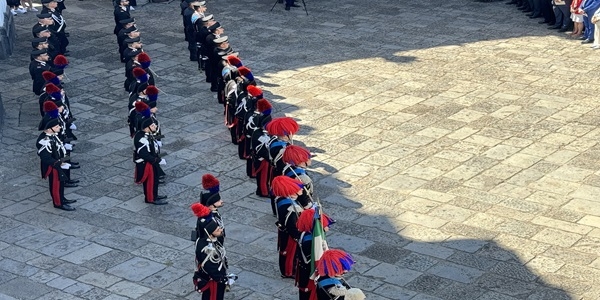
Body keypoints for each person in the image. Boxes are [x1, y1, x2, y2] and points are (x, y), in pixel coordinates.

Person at [37, 101, 77, 211]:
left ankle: (62, 198)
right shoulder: (43, 140)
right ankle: (58, 203)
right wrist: (59, 163)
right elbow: (45, 157)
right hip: (54, 166)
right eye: (56, 126)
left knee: (61, 182)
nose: (59, 127)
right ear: (49, 129)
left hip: (59, 162)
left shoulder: (52, 135)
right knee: (56, 184)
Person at [193, 209, 234, 300]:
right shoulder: (206, 248)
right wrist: (220, 278)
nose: (220, 229)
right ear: (210, 233)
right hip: (213, 279)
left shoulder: (210, 240)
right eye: (217, 229)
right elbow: (210, 266)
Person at [296, 208, 334, 300]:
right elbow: (313, 260)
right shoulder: (310, 241)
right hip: (309, 272)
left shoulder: (308, 235)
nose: (327, 227)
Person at [272, 175, 304, 278]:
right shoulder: (292, 207)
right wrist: (298, 236)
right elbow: (291, 225)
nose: (301, 189)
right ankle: (288, 271)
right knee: (289, 253)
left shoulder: (281, 199)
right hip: (289, 233)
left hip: (283, 229)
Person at [133, 117, 167, 205]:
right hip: (146, 163)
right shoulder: (142, 139)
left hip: (152, 162)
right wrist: (157, 160)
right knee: (150, 182)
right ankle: (150, 199)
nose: (155, 126)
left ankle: (154, 195)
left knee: (155, 180)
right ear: (146, 128)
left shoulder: (147, 134)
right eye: (152, 125)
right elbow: (144, 154)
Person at [282, 145, 314, 209]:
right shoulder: (301, 176)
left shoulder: (289, 168)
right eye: (308, 158)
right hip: (300, 202)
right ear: (301, 161)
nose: (310, 159)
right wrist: (308, 205)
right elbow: (302, 193)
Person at [199, 174, 226, 245]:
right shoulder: (208, 218)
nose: (221, 201)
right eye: (218, 201)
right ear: (211, 205)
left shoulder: (215, 213)